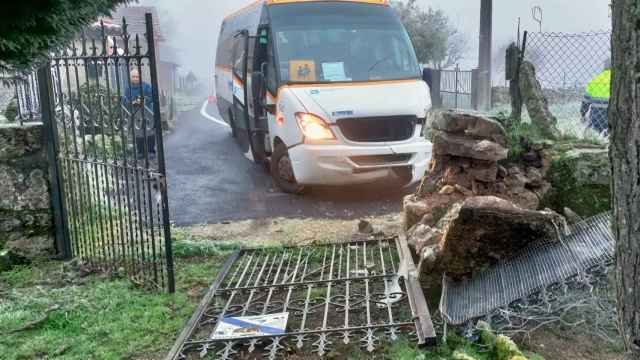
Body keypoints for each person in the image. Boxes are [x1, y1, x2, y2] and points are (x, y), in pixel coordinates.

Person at [122, 69, 156, 160]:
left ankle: (151, 151)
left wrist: (144, 100)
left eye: (137, 76)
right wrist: (132, 102)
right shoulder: (128, 88)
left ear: (140, 77)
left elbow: (152, 96)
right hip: (135, 113)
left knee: (149, 131)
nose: (136, 78)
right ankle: (141, 152)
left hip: (146, 112)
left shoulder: (146, 86)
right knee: (138, 133)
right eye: (134, 77)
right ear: (130, 77)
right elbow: (125, 100)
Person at [581, 60, 611, 134]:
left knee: (596, 135)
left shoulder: (595, 80)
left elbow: (585, 101)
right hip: (611, 115)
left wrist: (583, 113)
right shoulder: (619, 80)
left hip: (596, 116)